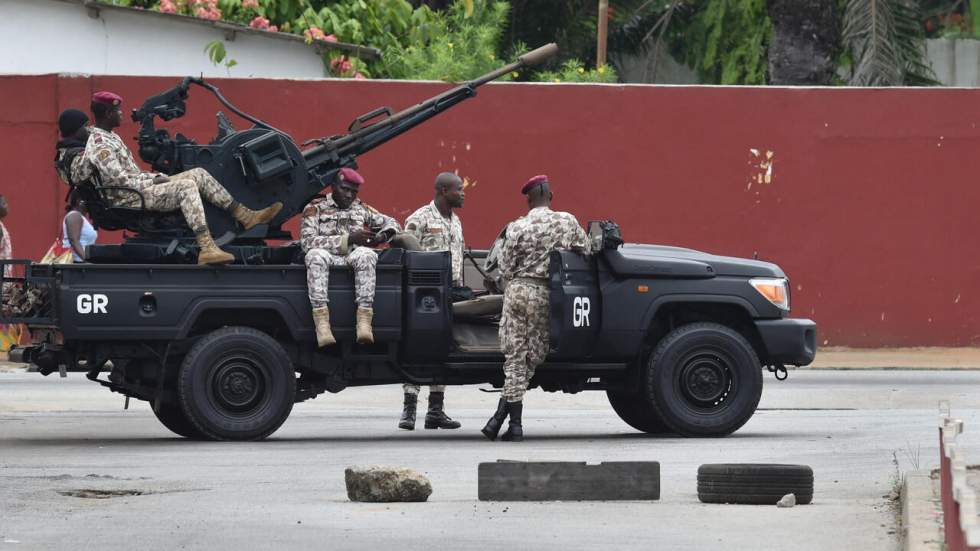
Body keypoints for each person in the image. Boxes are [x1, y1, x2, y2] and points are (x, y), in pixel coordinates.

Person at [71, 91, 282, 265]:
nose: (121, 113)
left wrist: (156, 177)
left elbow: (131, 174)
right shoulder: (100, 144)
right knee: (186, 187)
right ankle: (207, 248)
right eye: (117, 110)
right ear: (107, 113)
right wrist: (153, 181)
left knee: (198, 174)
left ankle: (244, 215)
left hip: (138, 188)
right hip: (129, 197)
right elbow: (121, 182)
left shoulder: (111, 136)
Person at [481, 175, 591, 442]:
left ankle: (506, 422)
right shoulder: (567, 221)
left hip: (517, 291)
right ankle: (506, 422)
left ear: (528, 199)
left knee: (515, 357)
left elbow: (504, 268)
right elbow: (586, 249)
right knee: (533, 357)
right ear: (550, 196)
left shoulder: (516, 227)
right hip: (545, 294)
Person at [301, 167, 401, 347]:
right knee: (314, 255)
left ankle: (364, 322)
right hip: (327, 258)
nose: (349, 195)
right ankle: (322, 324)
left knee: (367, 254)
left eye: (353, 192)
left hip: (352, 258)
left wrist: (382, 236)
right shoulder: (315, 208)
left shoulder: (361, 208)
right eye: (344, 189)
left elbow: (392, 222)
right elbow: (307, 242)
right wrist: (348, 239)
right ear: (333, 186)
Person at [397, 172, 466, 431]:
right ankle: (409, 410)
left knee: (442, 349)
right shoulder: (420, 218)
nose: (463, 193)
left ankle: (435, 411)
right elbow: (405, 250)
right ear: (443, 190)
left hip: (450, 293)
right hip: (423, 295)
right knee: (416, 348)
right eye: (458, 189)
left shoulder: (456, 221)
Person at [63, 191, 97, 262]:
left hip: (80, 263)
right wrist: (86, 260)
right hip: (76, 264)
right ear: (79, 201)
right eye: (88, 200)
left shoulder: (80, 217)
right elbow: (74, 240)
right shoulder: (75, 215)